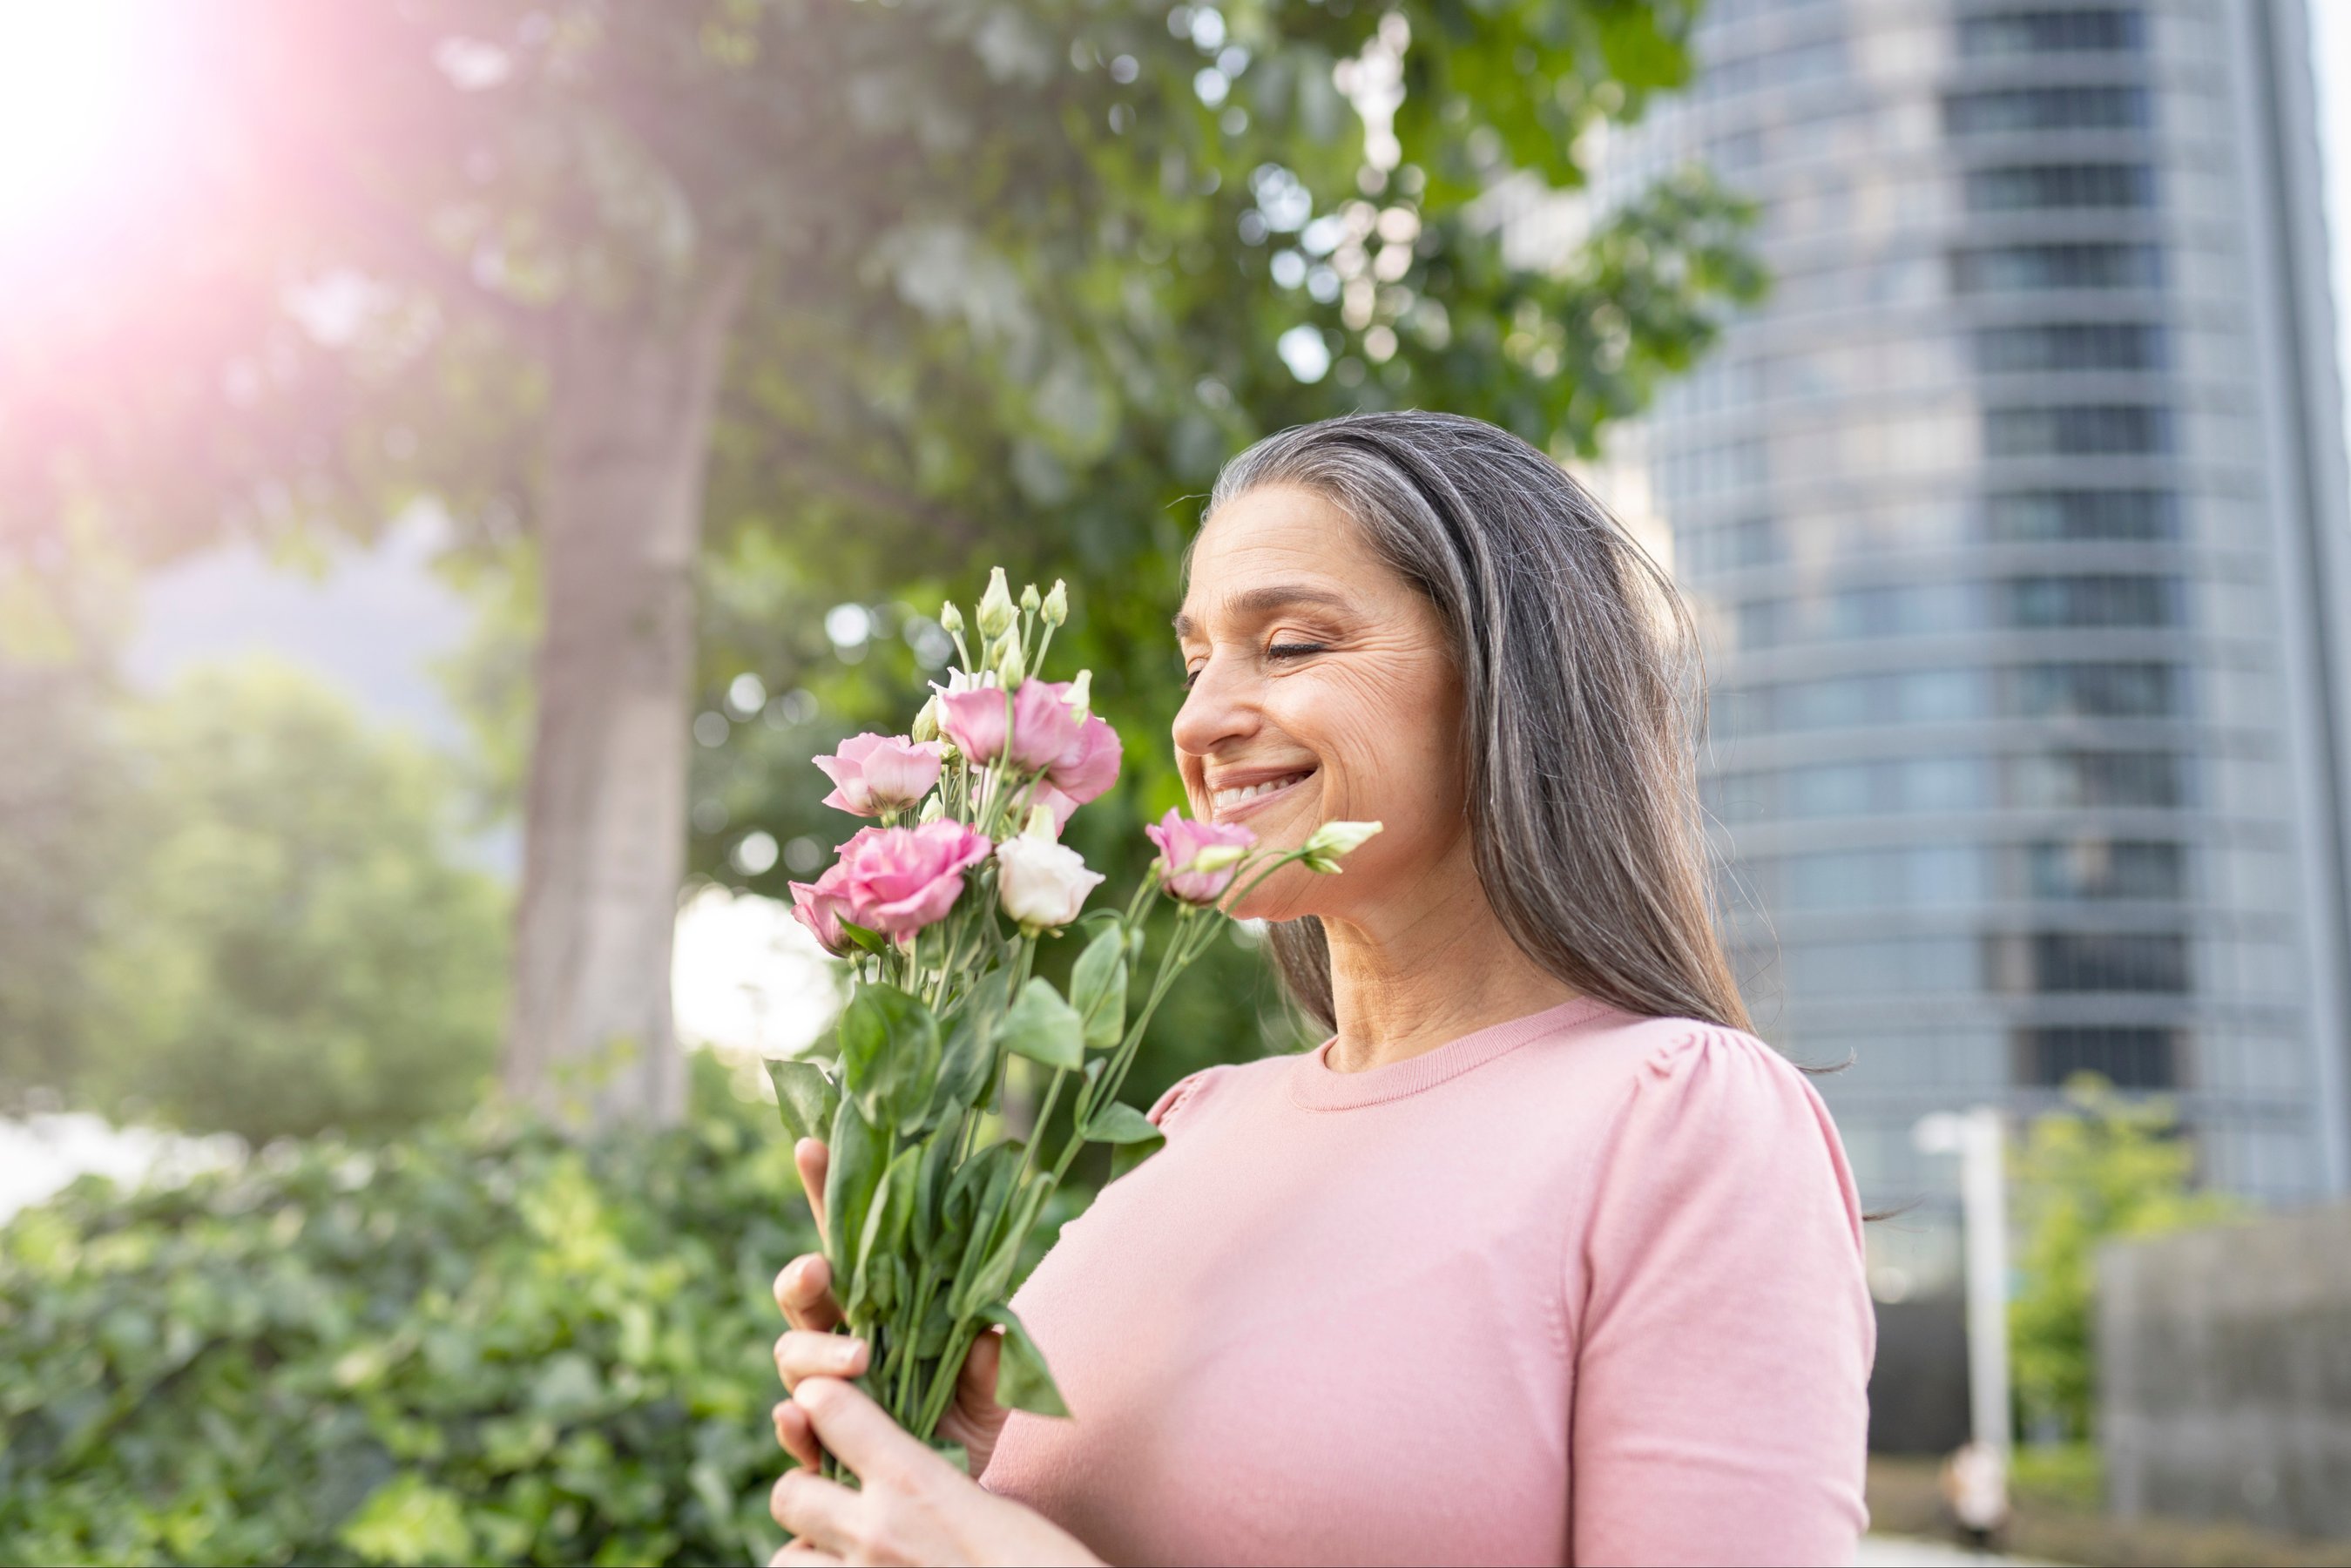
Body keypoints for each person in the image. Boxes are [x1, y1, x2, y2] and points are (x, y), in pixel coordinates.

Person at [765, 411, 1875, 1565]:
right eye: (1198, 660)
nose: (1199, 719)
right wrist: (930, 1442)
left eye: (1292, 645)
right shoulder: (1190, 1125)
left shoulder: (1681, 1122)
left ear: (1511, 676)